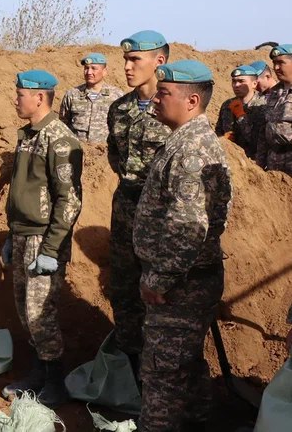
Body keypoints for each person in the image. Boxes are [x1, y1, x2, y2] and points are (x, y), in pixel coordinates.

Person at [134, 59, 232, 432]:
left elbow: (189, 227)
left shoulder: (192, 150)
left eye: (164, 93)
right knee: (184, 365)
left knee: (162, 373)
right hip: (185, 281)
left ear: (192, 101)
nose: (156, 100)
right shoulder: (185, 141)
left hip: (180, 286)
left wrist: (159, 279)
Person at [0, 70, 83, 406]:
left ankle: (55, 383)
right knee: (25, 311)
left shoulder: (59, 139)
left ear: (39, 97)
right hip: (22, 235)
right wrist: (11, 234)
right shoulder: (29, 136)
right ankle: (37, 374)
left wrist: (51, 248)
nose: (16, 99)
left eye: (20, 94)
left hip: (42, 241)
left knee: (40, 313)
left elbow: (70, 199)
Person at [106, 30, 171, 375]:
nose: (128, 67)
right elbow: (116, 158)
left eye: (135, 60)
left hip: (160, 218)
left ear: (159, 61)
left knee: (160, 296)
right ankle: (131, 374)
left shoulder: (173, 107)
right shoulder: (120, 108)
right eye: (125, 60)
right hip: (125, 211)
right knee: (124, 291)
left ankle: (159, 376)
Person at [59, 52, 124, 143]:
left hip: (105, 152)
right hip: (76, 151)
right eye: (86, 68)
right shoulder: (72, 94)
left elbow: (122, 126)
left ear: (104, 71)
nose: (89, 72)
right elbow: (63, 124)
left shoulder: (116, 96)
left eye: (94, 69)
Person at [256, 44, 292, 175]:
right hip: (273, 166)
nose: (276, 68)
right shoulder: (274, 93)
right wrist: (259, 166)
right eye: (274, 63)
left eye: (281, 63)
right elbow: (264, 131)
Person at [214, 64, 263, 158]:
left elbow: (258, 141)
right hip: (230, 158)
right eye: (234, 81)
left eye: (241, 81)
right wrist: (223, 139)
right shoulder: (227, 105)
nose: (236, 85)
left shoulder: (262, 105)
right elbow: (218, 131)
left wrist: (241, 116)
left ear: (254, 84)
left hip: (253, 161)